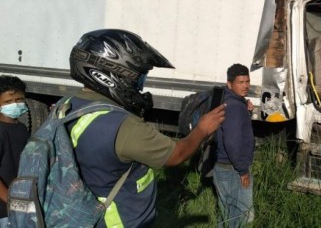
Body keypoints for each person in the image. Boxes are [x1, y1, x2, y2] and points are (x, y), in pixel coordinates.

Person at [66, 29, 225, 227]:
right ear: (114, 73)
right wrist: (202, 129)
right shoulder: (122, 125)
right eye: (139, 77)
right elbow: (176, 154)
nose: (140, 86)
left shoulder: (67, 107)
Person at [214, 64, 255, 228]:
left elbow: (234, 128)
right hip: (232, 169)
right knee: (239, 216)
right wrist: (243, 170)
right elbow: (232, 141)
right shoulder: (236, 107)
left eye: (247, 81)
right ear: (230, 84)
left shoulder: (227, 101)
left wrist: (247, 112)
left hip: (223, 166)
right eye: (241, 82)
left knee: (227, 214)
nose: (245, 86)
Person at [0, 75, 30, 228]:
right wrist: (12, 202)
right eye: (8, 102)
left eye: (19, 100)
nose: (15, 104)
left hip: (20, 200)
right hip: (4, 209)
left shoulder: (21, 128)